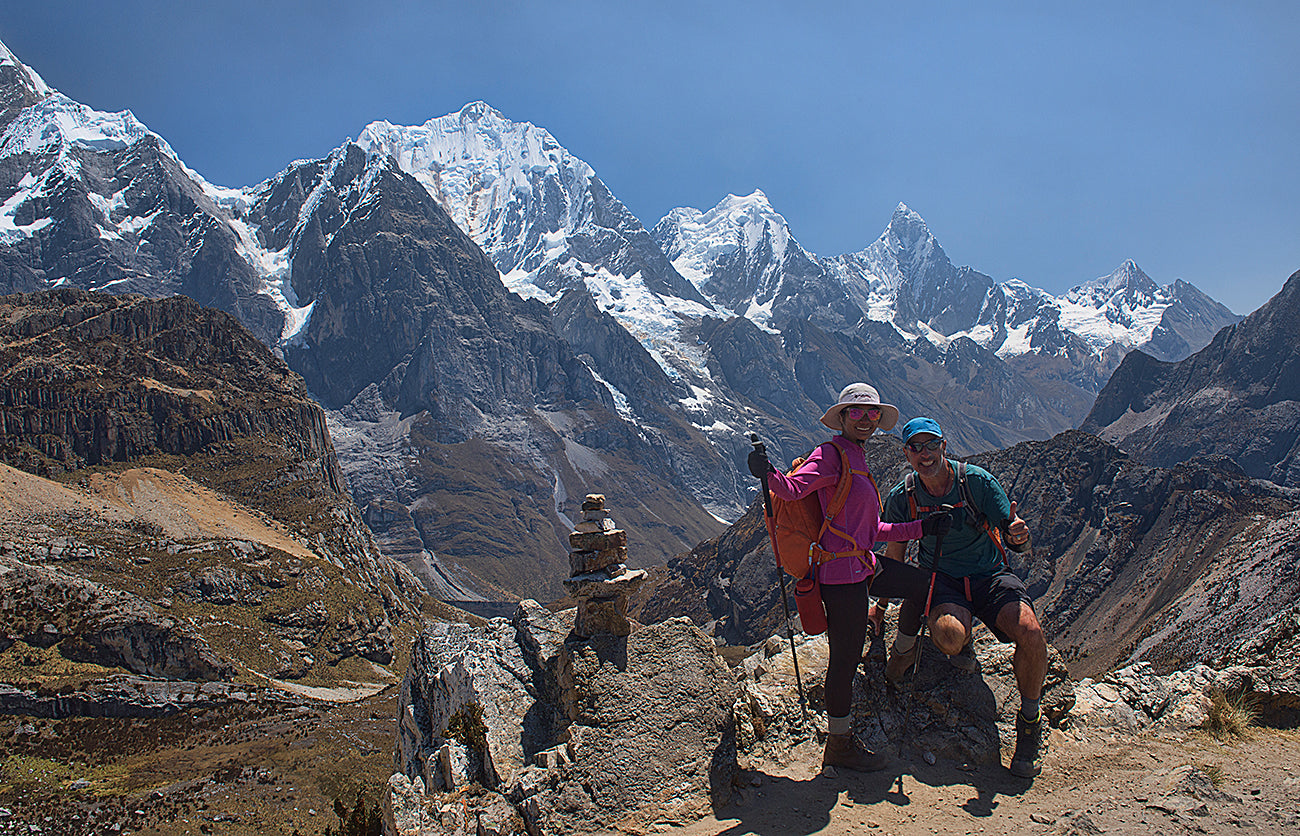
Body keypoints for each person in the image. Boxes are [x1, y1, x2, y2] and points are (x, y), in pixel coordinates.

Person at [748, 384, 952, 773]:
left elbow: (871, 531)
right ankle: (839, 744)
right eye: (856, 412)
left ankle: (900, 653)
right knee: (844, 659)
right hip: (841, 576)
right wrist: (767, 472)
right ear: (841, 417)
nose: (865, 420)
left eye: (872, 413)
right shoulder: (830, 454)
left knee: (921, 585)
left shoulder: (856, 456)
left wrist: (923, 528)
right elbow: (792, 490)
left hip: (863, 565)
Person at [879, 416, 1045, 778]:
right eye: (916, 447)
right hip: (943, 581)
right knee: (950, 638)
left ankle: (1030, 722)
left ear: (943, 445)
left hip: (990, 575)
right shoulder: (903, 497)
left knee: (1031, 633)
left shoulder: (976, 482)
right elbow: (895, 556)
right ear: (906, 453)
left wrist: (1017, 535)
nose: (925, 454)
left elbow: (1013, 533)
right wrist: (881, 606)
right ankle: (963, 638)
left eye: (931, 444)